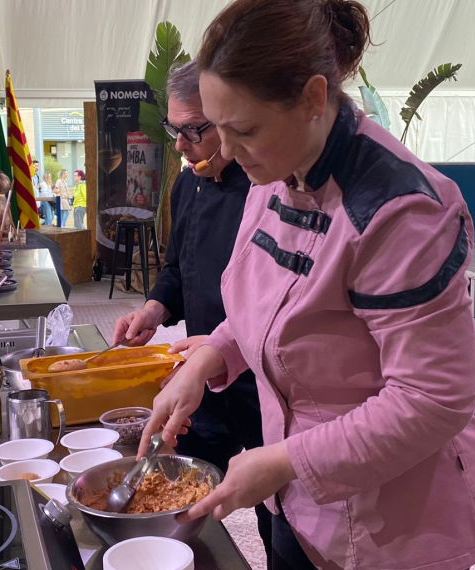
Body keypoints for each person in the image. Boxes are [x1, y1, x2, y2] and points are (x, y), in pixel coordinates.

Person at [140, 1, 475, 569]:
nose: (226, 151)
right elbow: (266, 304)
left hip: (394, 522)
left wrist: (285, 460)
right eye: (217, 128)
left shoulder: (400, 210)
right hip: (299, 501)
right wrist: (208, 358)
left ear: (314, 99)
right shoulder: (275, 168)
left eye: (243, 129)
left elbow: (433, 399)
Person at [112, 59, 271, 562]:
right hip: (203, 377)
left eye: (193, 131)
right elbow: (180, 268)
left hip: (266, 378)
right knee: (181, 498)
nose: (179, 144)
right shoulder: (187, 186)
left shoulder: (268, 190)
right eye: (173, 130)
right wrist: (155, 309)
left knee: (279, 511)